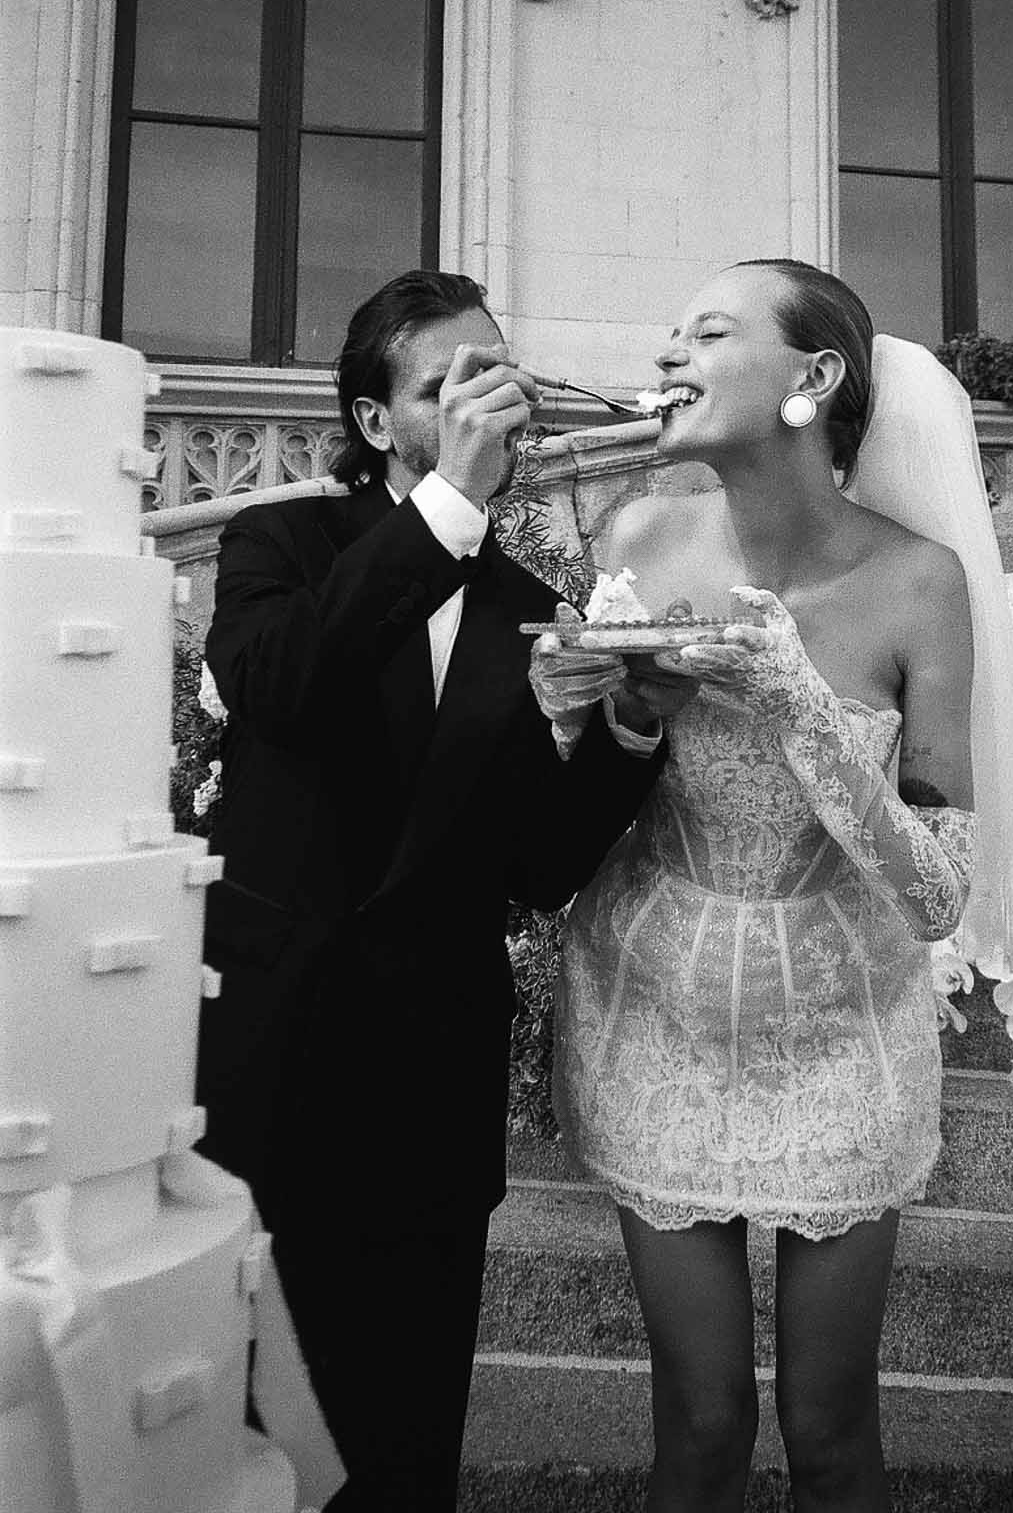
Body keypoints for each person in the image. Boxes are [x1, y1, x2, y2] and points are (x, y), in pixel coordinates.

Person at [532, 258, 1013, 1513]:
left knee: (829, 1430)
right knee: (701, 1423)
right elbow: (570, 817)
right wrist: (585, 719)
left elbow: (937, 889)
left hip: (840, 1026)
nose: (667, 355)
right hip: (650, 1005)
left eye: (707, 331)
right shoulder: (639, 534)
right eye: (669, 331)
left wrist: (801, 705)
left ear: (812, 379)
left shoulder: (919, 582)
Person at [197, 268, 678, 1511]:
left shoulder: (536, 611)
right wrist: (452, 502)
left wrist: (630, 727)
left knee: (407, 1432)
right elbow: (277, 686)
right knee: (234, 1410)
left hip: (427, 1067)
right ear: (376, 423)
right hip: (265, 1053)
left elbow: (534, 864)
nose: (493, 398)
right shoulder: (280, 543)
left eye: (499, 369)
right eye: (452, 382)